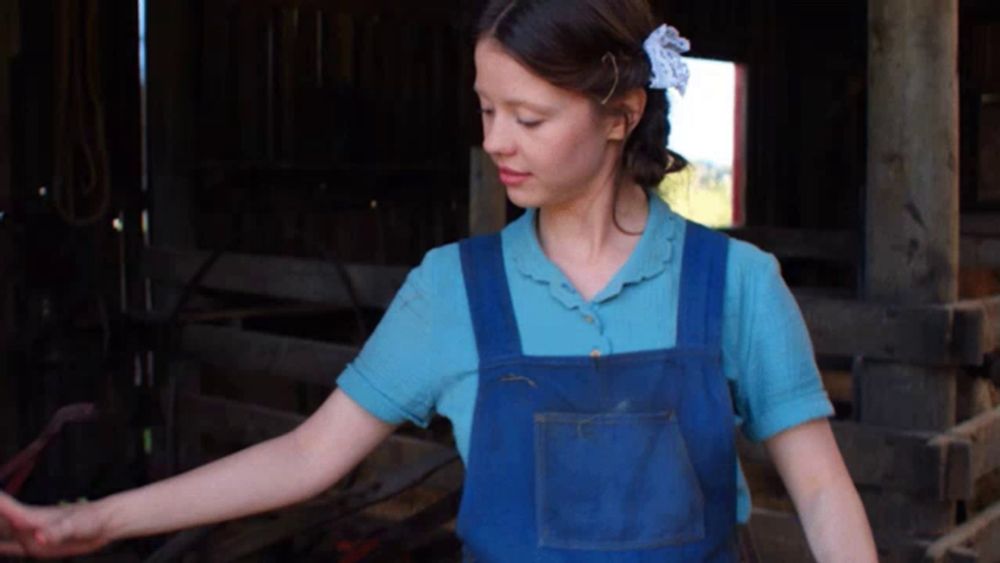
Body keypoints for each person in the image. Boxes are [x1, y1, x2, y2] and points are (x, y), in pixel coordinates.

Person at [0, 0, 877, 560]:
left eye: (529, 116)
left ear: (622, 112)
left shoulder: (736, 285)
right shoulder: (455, 288)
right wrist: (95, 519)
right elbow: (309, 454)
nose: (496, 140)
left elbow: (821, 487)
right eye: (487, 108)